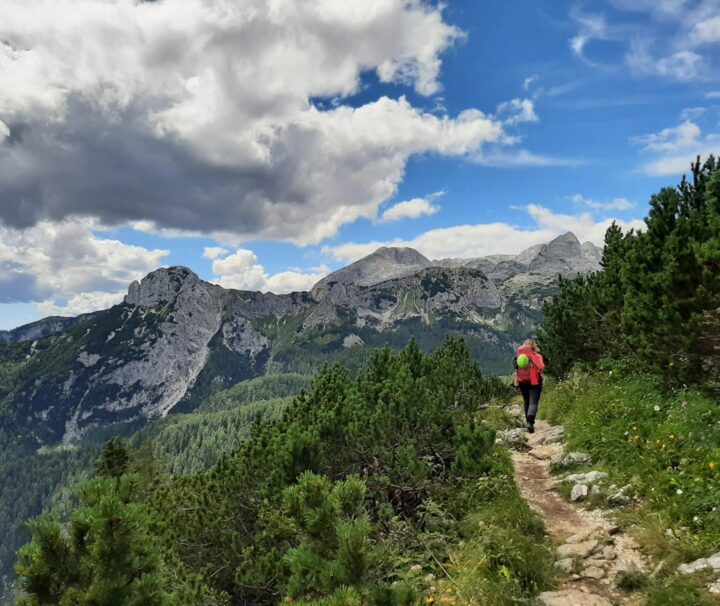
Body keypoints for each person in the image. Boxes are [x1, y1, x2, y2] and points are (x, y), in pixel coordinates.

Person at [513, 339, 544, 433]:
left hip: (522, 382)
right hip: (535, 382)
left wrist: (516, 383)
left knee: (526, 401)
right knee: (533, 402)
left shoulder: (518, 358)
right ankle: (530, 422)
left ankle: (528, 423)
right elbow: (541, 368)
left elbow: (515, 370)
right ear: (533, 346)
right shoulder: (537, 356)